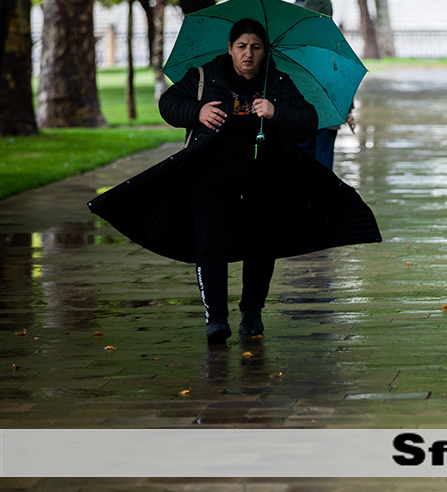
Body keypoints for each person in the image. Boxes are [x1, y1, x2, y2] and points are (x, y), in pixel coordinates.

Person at [87, 17, 381, 344]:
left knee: (260, 248)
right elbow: (168, 103)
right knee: (210, 247)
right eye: (241, 46)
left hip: (264, 184)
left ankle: (251, 313)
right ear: (229, 48)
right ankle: (216, 318)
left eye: (256, 47)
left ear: (265, 50)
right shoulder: (205, 75)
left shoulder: (279, 81)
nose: (248, 54)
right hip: (209, 183)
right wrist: (197, 112)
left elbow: (307, 122)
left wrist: (275, 112)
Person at [292, 0, 341, 169]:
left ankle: (304, 197)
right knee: (323, 163)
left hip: (301, 110)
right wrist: (348, 110)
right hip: (329, 112)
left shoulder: (295, 36)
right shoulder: (334, 39)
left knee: (301, 160)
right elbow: (342, 77)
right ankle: (322, 198)